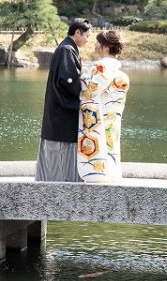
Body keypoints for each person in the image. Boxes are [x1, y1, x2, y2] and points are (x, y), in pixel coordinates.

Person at [36, 18, 92, 182]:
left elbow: (69, 78)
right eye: (87, 36)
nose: (87, 40)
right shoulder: (67, 49)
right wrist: (85, 85)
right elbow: (67, 81)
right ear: (77, 32)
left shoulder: (66, 48)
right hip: (62, 113)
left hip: (57, 111)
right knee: (61, 157)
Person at [77, 30, 130, 183]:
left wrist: (80, 78)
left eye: (98, 42)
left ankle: (98, 174)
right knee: (111, 143)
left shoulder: (101, 67)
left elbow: (88, 92)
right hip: (113, 117)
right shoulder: (118, 71)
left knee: (100, 142)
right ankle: (111, 173)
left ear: (106, 46)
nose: (95, 45)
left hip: (100, 117)